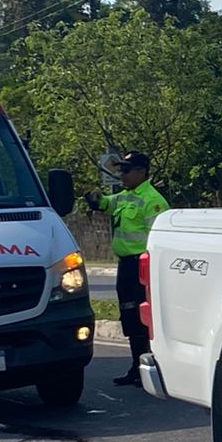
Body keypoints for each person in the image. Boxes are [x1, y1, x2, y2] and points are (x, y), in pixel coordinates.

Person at [85, 151, 169, 386]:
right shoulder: (125, 197)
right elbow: (105, 204)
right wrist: (94, 199)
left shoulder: (153, 201)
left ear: (142, 172)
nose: (122, 174)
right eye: (120, 170)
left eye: (126, 170)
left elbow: (159, 241)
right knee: (130, 318)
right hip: (126, 268)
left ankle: (152, 370)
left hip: (143, 267)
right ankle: (136, 367)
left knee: (144, 320)